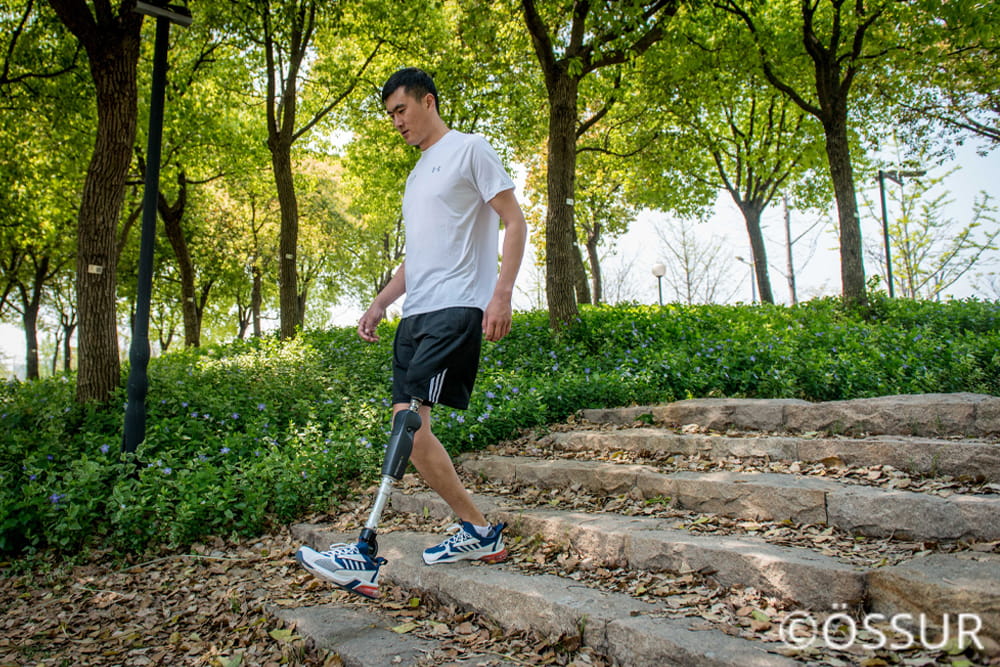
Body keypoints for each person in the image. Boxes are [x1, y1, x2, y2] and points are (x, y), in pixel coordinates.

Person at [296, 67, 528, 598]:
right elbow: (417, 258)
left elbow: (515, 222)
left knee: (408, 430)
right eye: (389, 115)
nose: (396, 122)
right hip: (417, 315)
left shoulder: (471, 150)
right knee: (413, 434)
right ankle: (478, 531)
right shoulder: (417, 173)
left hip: (455, 308)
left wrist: (502, 292)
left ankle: (363, 551)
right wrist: (380, 303)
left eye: (401, 110)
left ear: (428, 101)